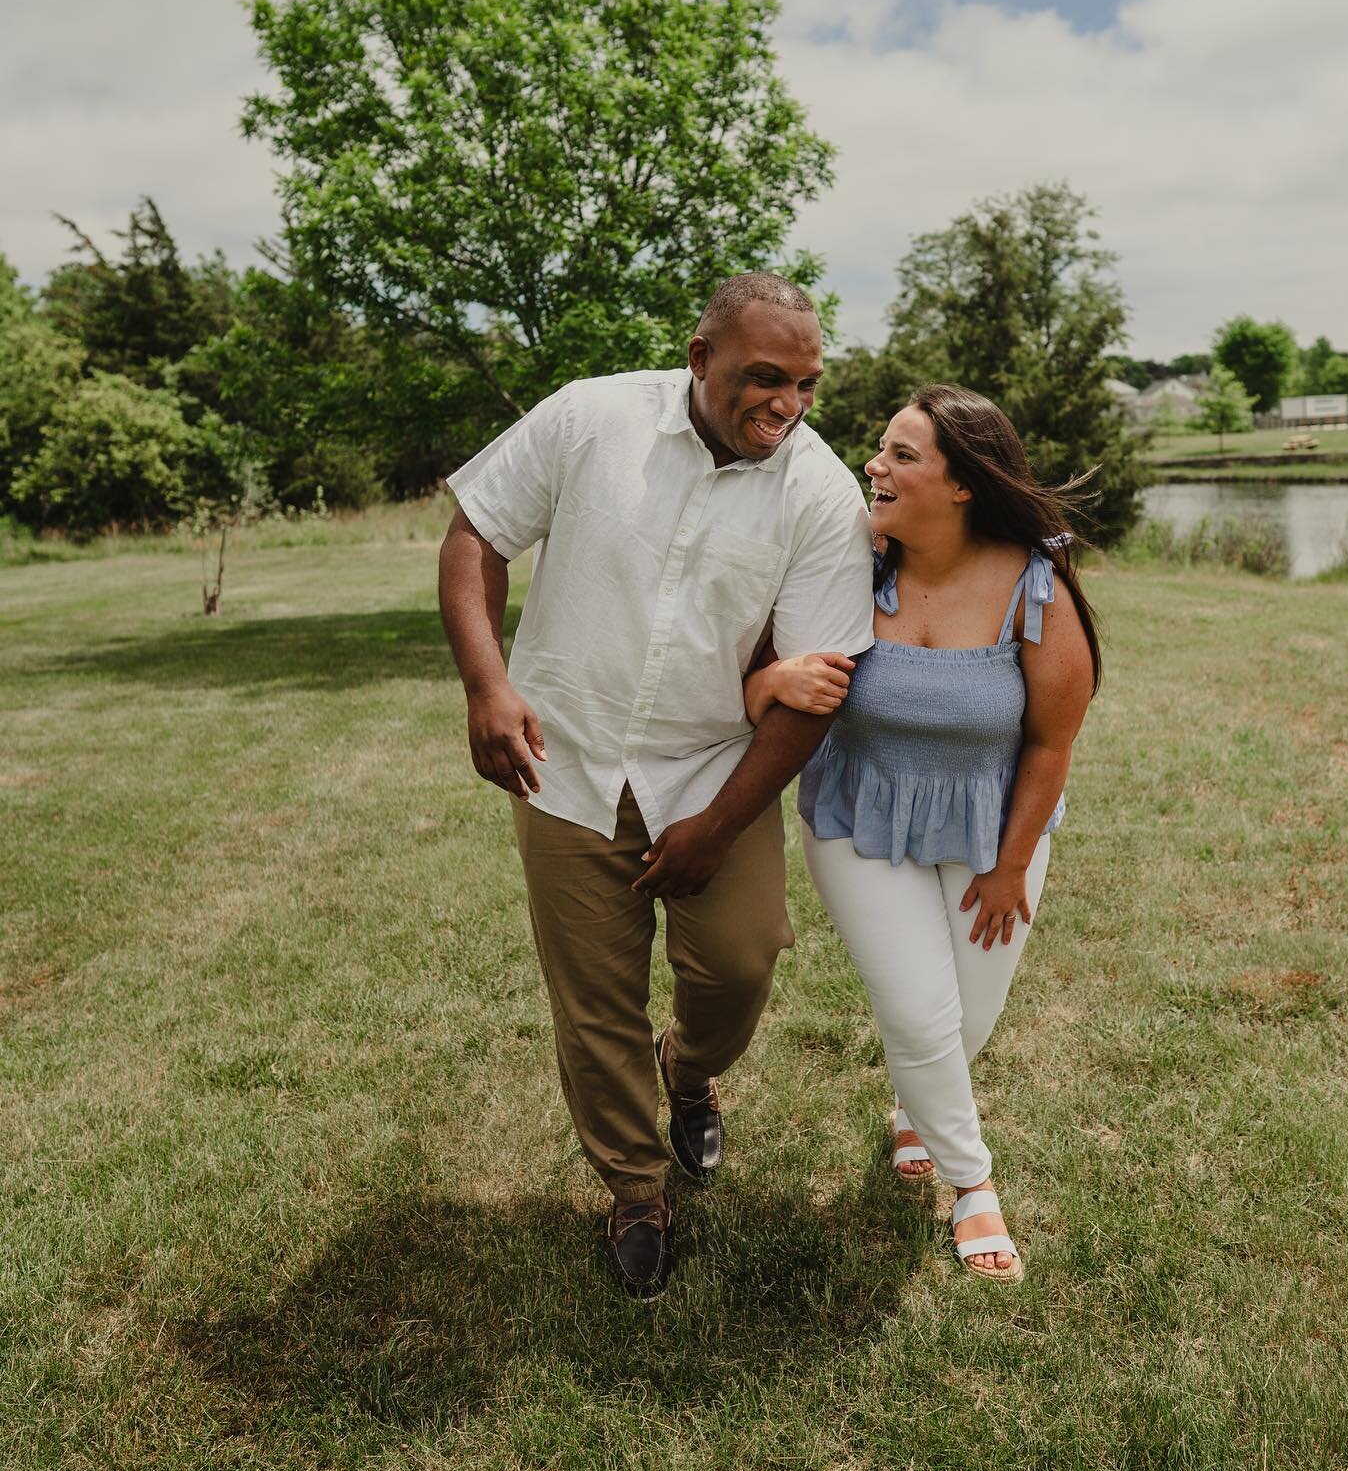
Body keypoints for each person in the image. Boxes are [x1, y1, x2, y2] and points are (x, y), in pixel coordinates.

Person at [438, 273, 874, 1299]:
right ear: (699, 357)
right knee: (595, 1006)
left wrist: (719, 828)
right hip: (565, 759)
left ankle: (690, 1072)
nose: (787, 403)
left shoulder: (819, 493)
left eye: (806, 384)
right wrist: (486, 686)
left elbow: (815, 688)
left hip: (714, 769)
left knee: (739, 963)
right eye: (764, 377)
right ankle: (636, 1189)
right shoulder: (591, 416)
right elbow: (475, 533)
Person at [743, 385, 1100, 1284]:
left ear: (965, 483)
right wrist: (767, 685)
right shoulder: (849, 561)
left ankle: (916, 1110)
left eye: (903, 455)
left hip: (994, 826)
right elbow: (753, 664)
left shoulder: (1035, 581)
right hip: (860, 814)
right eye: (880, 449)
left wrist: (1011, 865)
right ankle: (973, 1184)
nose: (876, 466)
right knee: (918, 1009)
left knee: (963, 1022)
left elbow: (1055, 741)